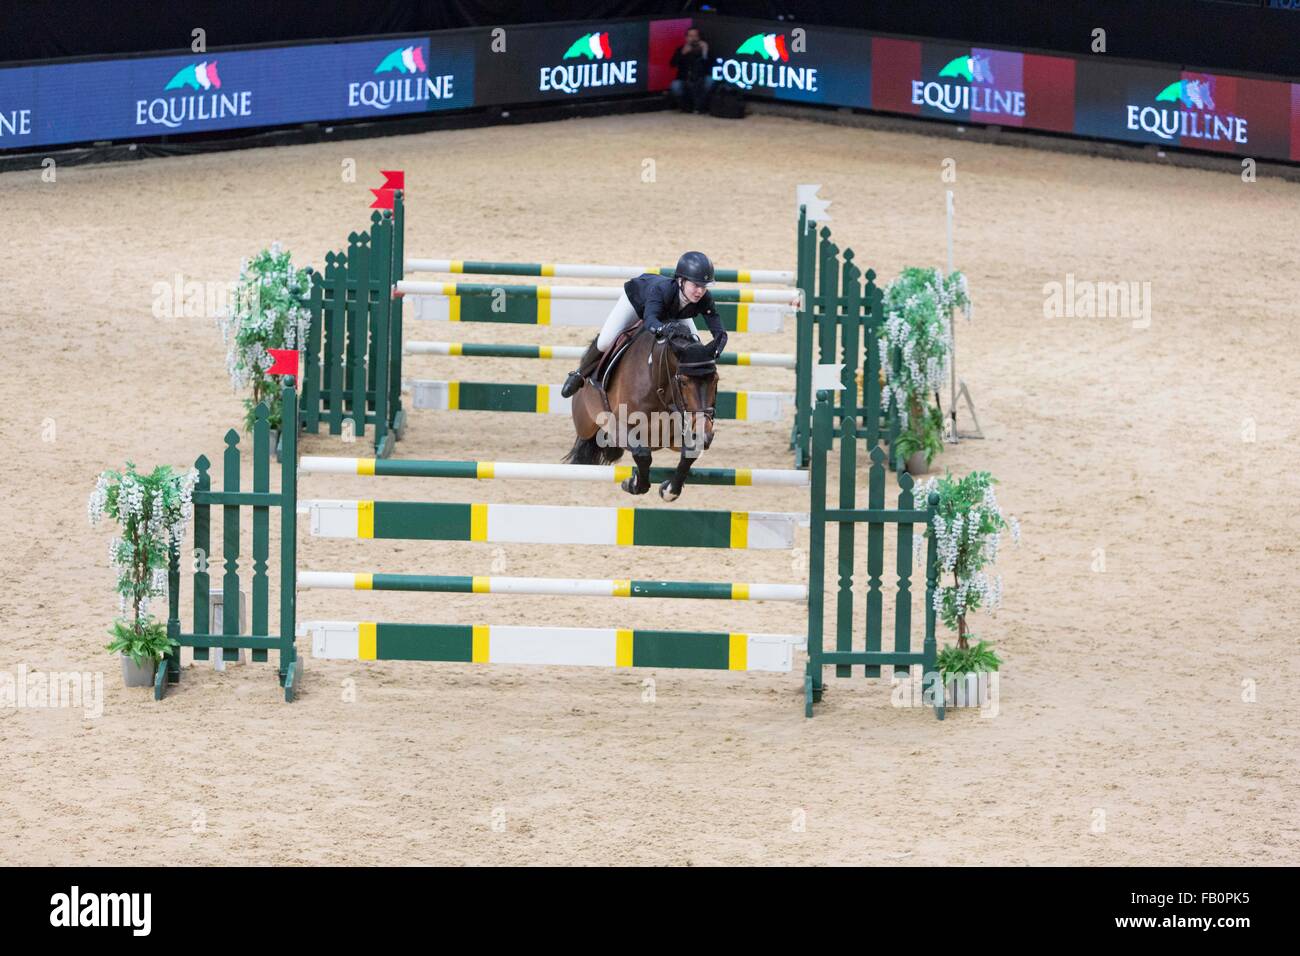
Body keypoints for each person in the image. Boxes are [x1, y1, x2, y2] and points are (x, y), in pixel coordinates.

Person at [560, 251, 728, 398]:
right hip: (637, 303)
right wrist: (663, 328)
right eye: (696, 285)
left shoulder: (704, 298)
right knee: (605, 340)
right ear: (681, 281)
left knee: (694, 344)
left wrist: (716, 348)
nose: (700, 291)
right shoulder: (662, 290)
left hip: (672, 312)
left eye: (704, 286)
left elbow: (719, 331)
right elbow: (650, 320)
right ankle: (580, 374)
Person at [669, 28, 713, 114]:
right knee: (675, 85)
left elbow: (711, 65)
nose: (693, 38)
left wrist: (705, 52)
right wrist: (682, 53)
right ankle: (685, 107)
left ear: (699, 38)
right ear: (686, 38)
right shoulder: (681, 49)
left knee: (710, 80)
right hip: (684, 79)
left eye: (695, 36)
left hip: (700, 79)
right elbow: (672, 64)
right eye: (690, 36)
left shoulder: (704, 49)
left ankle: (699, 107)